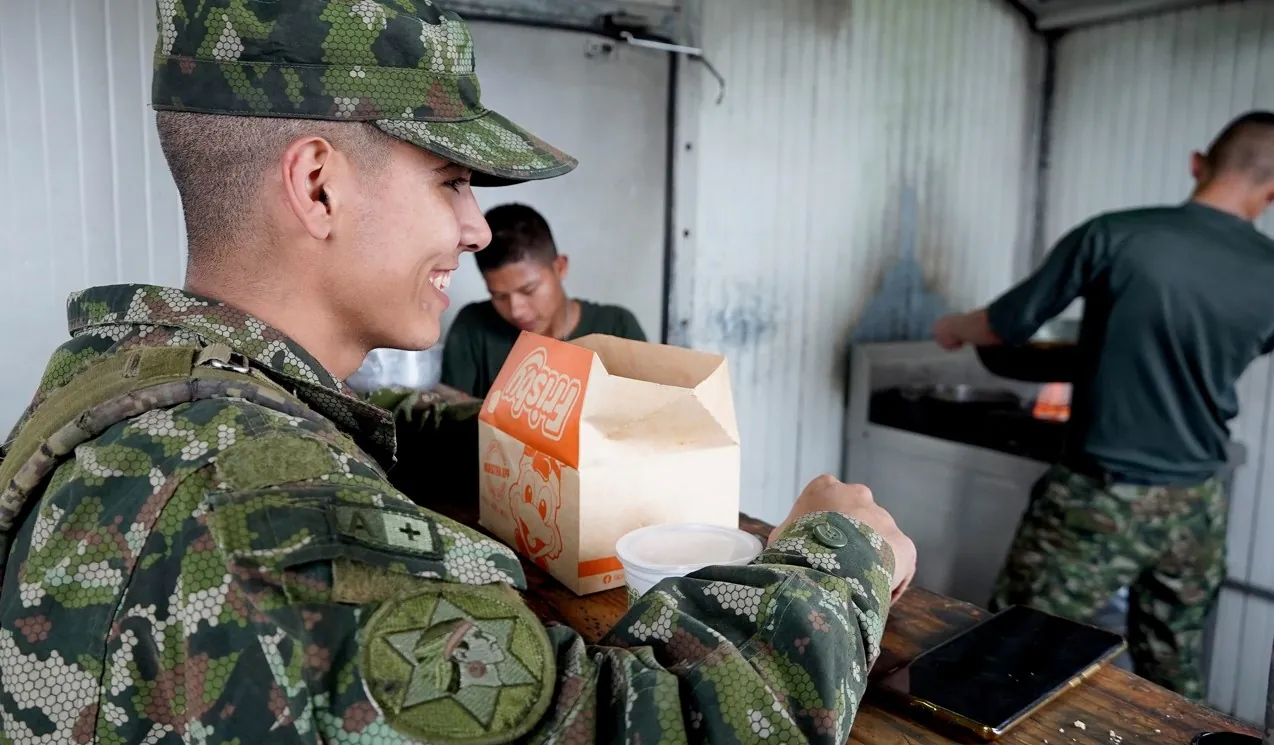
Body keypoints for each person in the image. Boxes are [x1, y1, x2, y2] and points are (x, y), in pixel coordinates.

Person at [0, 2, 916, 743]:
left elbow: (341, 420)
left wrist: (515, 435)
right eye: (450, 178)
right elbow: (675, 725)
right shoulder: (265, 522)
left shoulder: (128, 386)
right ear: (318, 185)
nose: (476, 227)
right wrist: (837, 555)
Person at [932, 111, 1274, 701]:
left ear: (1198, 164)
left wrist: (953, 326)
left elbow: (1006, 326)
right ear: (1271, 193)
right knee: (1176, 674)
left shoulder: (1117, 234)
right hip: (1198, 505)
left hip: (1098, 498)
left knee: (1007, 650)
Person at [441, 203, 646, 398]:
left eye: (529, 290)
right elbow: (448, 419)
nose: (516, 311)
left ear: (560, 268)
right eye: (499, 296)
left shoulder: (617, 327)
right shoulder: (473, 328)